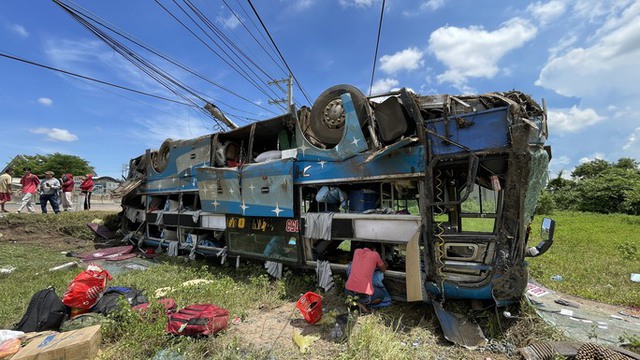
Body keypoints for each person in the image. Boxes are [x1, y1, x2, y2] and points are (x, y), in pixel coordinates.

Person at [344, 244, 389, 312]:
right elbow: (383, 269)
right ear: (374, 249)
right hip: (363, 294)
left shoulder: (357, 251)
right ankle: (362, 303)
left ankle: (356, 302)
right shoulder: (375, 254)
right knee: (382, 295)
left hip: (348, 291)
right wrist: (385, 264)